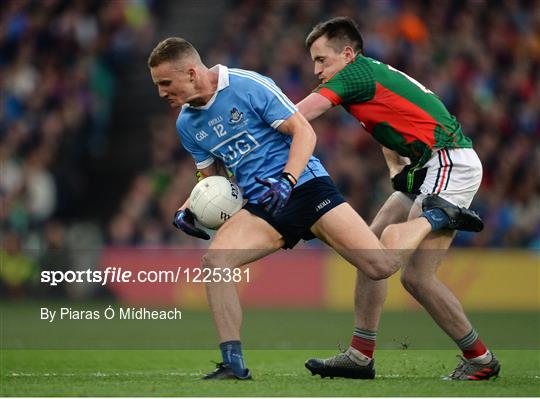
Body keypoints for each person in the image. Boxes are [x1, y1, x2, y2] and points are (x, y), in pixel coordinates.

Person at [147, 37, 481, 380]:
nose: (161, 93)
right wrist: (189, 209)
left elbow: (304, 131)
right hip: (264, 204)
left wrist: (288, 179)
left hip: (305, 187)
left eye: (165, 83)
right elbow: (212, 182)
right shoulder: (187, 124)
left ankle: (434, 218)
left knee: (380, 266)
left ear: (190, 72)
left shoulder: (248, 85)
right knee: (216, 261)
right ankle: (232, 363)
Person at [296, 17, 499, 381]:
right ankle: (361, 356)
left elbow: (299, 116)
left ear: (346, 53)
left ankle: (481, 360)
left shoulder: (354, 73)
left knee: (409, 274)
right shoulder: (365, 77)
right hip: (429, 166)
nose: (316, 70)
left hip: (448, 160)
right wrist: (397, 170)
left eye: (321, 60)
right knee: (369, 251)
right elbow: (390, 128)